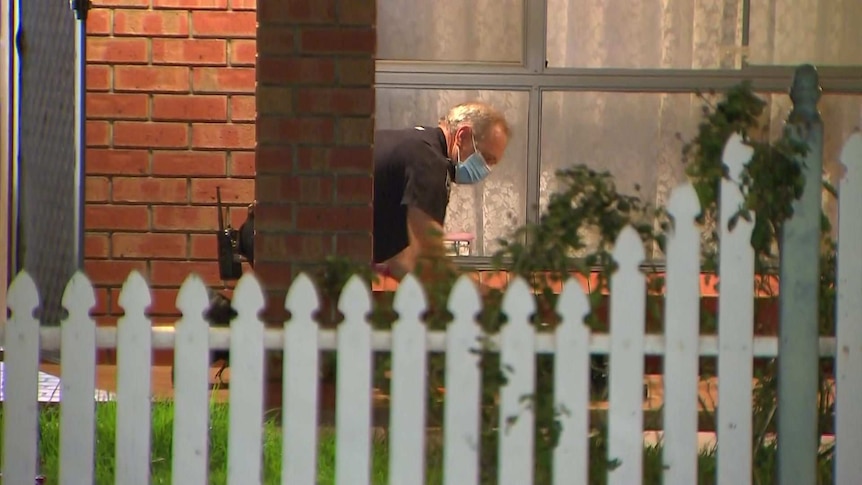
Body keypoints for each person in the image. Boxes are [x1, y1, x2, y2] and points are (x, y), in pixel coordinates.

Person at [373, 101, 512, 282]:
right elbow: (429, 255)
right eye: (486, 158)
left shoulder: (416, 144)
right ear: (462, 136)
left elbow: (402, 259)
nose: (486, 170)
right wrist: (475, 293)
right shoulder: (429, 162)